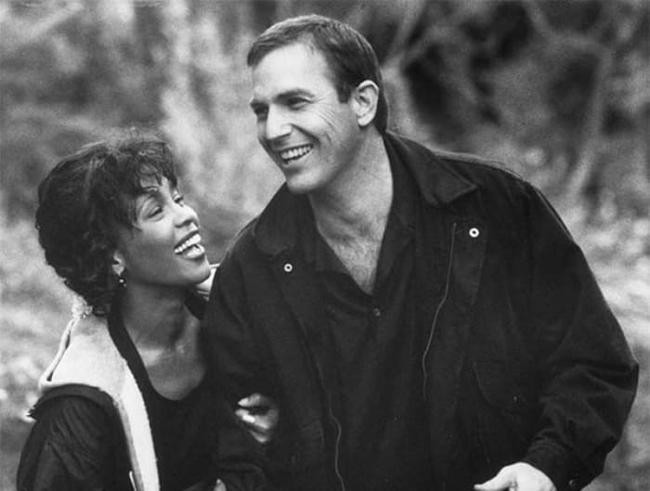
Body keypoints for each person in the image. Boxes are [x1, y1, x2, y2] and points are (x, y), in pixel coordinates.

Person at [203, 14, 639, 491]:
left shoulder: (497, 207)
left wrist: (545, 467)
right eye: (261, 110)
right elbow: (237, 452)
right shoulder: (250, 272)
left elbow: (592, 363)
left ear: (364, 102)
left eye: (295, 103)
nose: (272, 129)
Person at [17, 134, 275, 490]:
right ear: (111, 256)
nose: (187, 216)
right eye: (156, 211)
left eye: (178, 199)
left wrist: (279, 433)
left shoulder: (238, 315)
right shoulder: (80, 409)